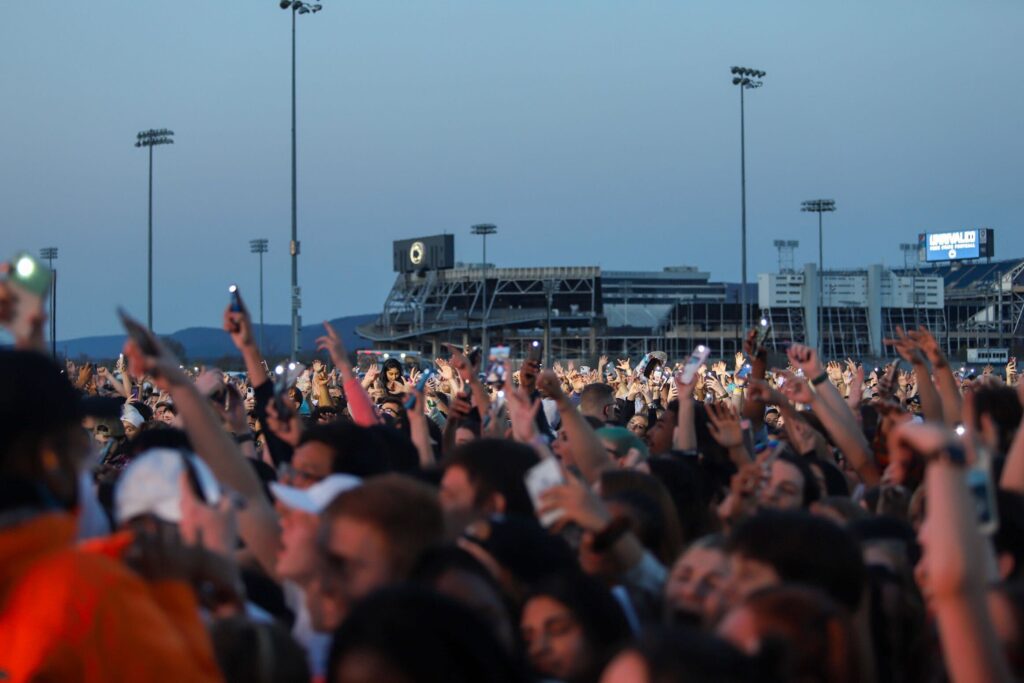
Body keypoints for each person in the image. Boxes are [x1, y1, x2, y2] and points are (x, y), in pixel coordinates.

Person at [0, 350, 223, 681]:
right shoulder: (87, 592)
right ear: (49, 459)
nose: (87, 457)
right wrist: (172, 591)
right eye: (80, 443)